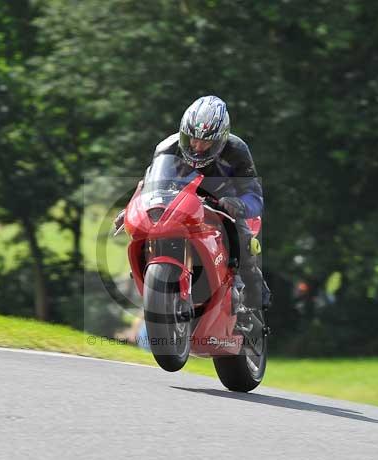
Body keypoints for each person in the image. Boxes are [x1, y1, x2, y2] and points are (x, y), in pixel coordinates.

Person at [115, 95, 271, 310]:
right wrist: (131, 209)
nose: (197, 146)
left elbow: (254, 194)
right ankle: (151, 278)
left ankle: (253, 288)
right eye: (191, 139)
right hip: (180, 204)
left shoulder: (237, 151)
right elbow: (149, 186)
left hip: (222, 204)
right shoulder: (166, 148)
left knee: (242, 238)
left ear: (221, 139)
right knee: (147, 229)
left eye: (206, 141)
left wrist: (239, 205)